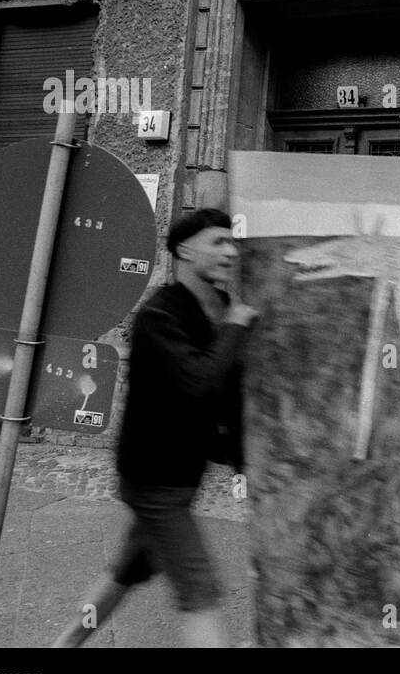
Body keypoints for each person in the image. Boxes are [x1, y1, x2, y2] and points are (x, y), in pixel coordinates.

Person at [54, 208, 258, 647]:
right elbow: (200, 383)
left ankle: (63, 645)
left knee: (127, 570)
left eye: (233, 242)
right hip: (152, 480)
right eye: (218, 241)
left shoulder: (222, 308)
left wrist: (243, 462)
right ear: (185, 249)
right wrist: (238, 327)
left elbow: (232, 390)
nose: (230, 251)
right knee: (198, 586)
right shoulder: (158, 317)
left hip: (183, 475)